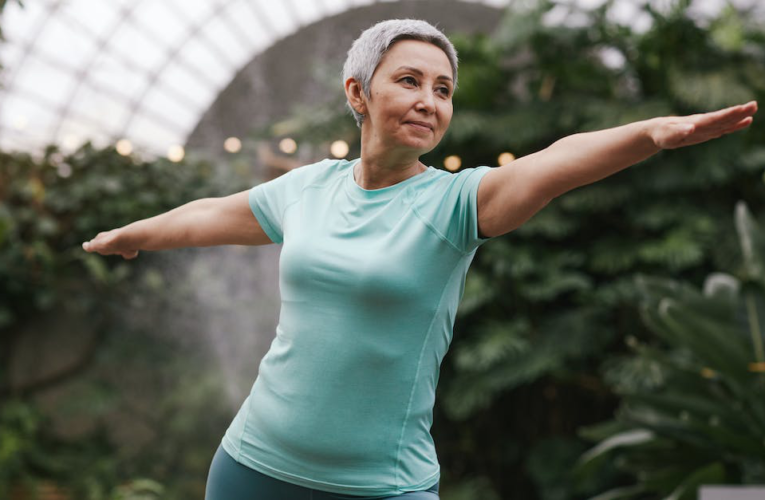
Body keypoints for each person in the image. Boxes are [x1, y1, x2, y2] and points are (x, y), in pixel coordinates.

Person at [81, 18, 757, 500]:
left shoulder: (458, 204)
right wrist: (131, 232)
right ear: (357, 94)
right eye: (408, 81)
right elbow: (207, 216)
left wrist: (650, 134)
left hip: (381, 486)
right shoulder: (307, 189)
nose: (429, 102)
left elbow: (553, 164)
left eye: (442, 89)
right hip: (252, 468)